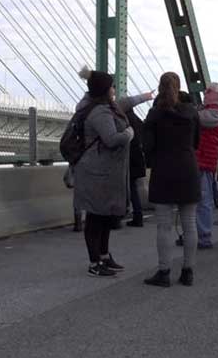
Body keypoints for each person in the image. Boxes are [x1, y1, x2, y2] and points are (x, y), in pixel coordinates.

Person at [73, 69, 135, 277]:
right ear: (104, 90)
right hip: (95, 172)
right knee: (95, 217)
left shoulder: (104, 107)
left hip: (102, 171)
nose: (114, 89)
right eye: (111, 86)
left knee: (104, 215)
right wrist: (129, 133)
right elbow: (111, 139)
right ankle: (94, 263)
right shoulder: (99, 112)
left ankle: (105, 256)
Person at [142, 72, 200, 287]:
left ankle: (164, 272)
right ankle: (188, 272)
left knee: (164, 226)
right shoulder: (191, 113)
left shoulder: (155, 114)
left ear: (159, 88)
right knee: (190, 224)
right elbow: (196, 142)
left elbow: (146, 145)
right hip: (188, 168)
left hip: (164, 170)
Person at [193, 82, 218, 249]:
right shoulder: (211, 110)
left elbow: (196, 118)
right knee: (197, 199)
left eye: (209, 91)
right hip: (202, 159)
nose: (205, 93)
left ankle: (204, 236)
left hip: (203, 160)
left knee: (203, 200)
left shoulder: (215, 112)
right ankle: (195, 234)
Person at [126, 108, 147, 227]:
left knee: (129, 188)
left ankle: (133, 215)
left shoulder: (125, 120)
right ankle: (138, 215)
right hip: (138, 159)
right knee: (133, 188)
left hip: (128, 160)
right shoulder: (137, 121)